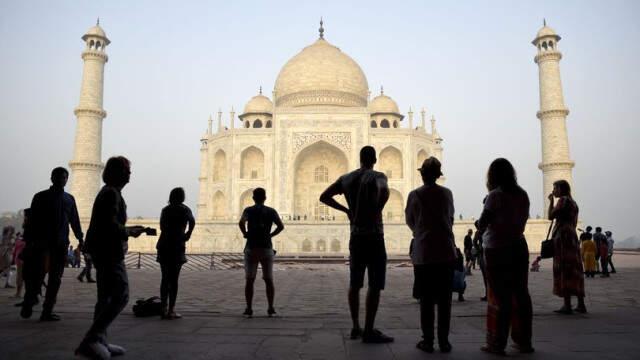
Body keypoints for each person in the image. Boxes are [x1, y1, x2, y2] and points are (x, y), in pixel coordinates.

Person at [320, 145, 393, 344]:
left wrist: (346, 210)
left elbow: (324, 196)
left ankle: (355, 327)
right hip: (375, 236)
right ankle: (369, 330)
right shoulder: (378, 176)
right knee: (375, 284)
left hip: (356, 236)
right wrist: (377, 208)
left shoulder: (347, 178)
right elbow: (384, 192)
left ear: (360, 159)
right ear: (374, 159)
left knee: (355, 283)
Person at [75, 156, 147, 359]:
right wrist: (131, 231)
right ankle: (90, 340)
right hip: (108, 252)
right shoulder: (110, 194)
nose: (129, 174)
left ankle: (100, 341)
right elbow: (109, 226)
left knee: (105, 298)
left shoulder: (111, 192)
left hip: (103, 250)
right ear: (116, 173)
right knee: (121, 294)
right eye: (126, 170)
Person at [477, 158, 533, 355]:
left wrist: (479, 226)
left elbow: (483, 222)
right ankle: (524, 341)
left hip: (497, 248)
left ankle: (497, 343)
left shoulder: (495, 196)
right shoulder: (522, 194)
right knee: (521, 294)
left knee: (500, 296)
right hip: (518, 245)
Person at [405, 156, 456, 353]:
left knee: (426, 299)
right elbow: (450, 217)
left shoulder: (415, 195)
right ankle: (444, 341)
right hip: (445, 249)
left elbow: (410, 220)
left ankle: (428, 340)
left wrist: (420, 232)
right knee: (445, 300)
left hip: (424, 251)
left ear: (422, 174)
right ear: (438, 175)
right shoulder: (447, 193)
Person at [20, 167, 83, 321]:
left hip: (60, 244)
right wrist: (28, 241)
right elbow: (31, 221)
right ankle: (29, 301)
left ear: (67, 179)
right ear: (52, 178)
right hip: (42, 243)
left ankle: (47, 310)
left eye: (63, 177)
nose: (61, 179)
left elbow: (74, 220)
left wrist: (80, 238)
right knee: (37, 275)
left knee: (55, 279)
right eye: (58, 177)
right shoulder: (40, 197)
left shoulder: (69, 199)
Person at [238, 187, 284, 318]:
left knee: (250, 279)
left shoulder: (248, 210)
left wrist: (245, 233)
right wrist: (270, 235)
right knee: (269, 279)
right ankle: (270, 307)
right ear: (265, 198)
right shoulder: (270, 211)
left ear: (253, 198)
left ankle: (249, 308)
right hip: (266, 248)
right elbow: (281, 226)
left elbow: (241, 223)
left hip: (251, 247)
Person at [156, 187, 195, 319]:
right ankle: (171, 309)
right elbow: (192, 221)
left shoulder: (165, 210)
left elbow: (161, 227)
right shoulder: (185, 209)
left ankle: (163, 308)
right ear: (182, 197)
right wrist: (187, 234)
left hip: (164, 244)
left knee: (164, 278)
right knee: (174, 280)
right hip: (177, 245)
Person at [548, 179, 587, 314]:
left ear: (561, 189)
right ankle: (581, 304)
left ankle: (567, 305)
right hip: (572, 237)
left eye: (555, 188)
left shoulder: (563, 201)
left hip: (563, 238)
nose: (553, 191)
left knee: (564, 268)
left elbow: (550, 216)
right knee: (575, 269)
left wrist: (551, 201)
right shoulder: (573, 202)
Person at [473, 224, 488, 301]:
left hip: (483, 255)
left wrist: (478, 249)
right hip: (490, 254)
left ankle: (488, 294)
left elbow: (474, 242)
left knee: (486, 277)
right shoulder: (487, 230)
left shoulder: (478, 232)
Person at [11, 231, 26, 298]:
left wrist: (13, 260)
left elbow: (14, 252)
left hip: (19, 261)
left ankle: (18, 293)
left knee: (19, 277)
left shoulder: (18, 242)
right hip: (28, 261)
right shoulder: (31, 242)